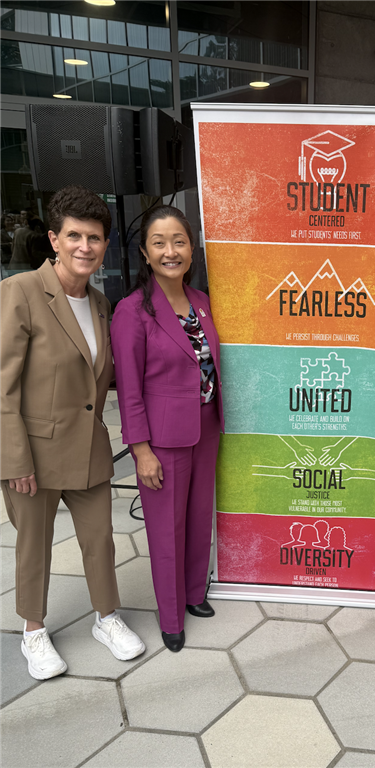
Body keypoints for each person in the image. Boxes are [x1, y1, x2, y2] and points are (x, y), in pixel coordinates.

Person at [0, 185, 145, 680]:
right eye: (75, 236)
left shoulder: (102, 303)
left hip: (88, 449)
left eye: (96, 238)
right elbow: (3, 385)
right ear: (54, 240)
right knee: (33, 544)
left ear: (106, 244)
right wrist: (13, 459)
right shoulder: (20, 292)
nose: (86, 246)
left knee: (99, 540)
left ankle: (106, 618)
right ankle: (33, 630)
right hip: (33, 455)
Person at [111, 205, 224, 653]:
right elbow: (128, 389)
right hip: (161, 439)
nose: (170, 251)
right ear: (145, 251)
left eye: (179, 241)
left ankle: (195, 594)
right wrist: (140, 449)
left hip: (207, 426)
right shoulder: (133, 311)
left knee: (199, 519)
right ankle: (172, 617)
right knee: (165, 530)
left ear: (191, 250)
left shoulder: (202, 303)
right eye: (159, 242)